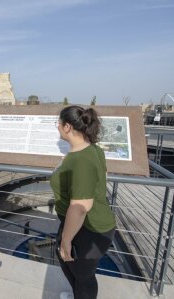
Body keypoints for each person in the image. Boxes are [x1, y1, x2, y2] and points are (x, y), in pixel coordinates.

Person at [50, 106, 116, 299]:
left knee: (83, 277)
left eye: (59, 124)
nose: (57, 127)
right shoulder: (91, 150)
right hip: (82, 225)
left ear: (68, 127)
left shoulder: (81, 160)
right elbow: (102, 176)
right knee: (71, 266)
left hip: (89, 228)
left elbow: (80, 208)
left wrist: (67, 240)